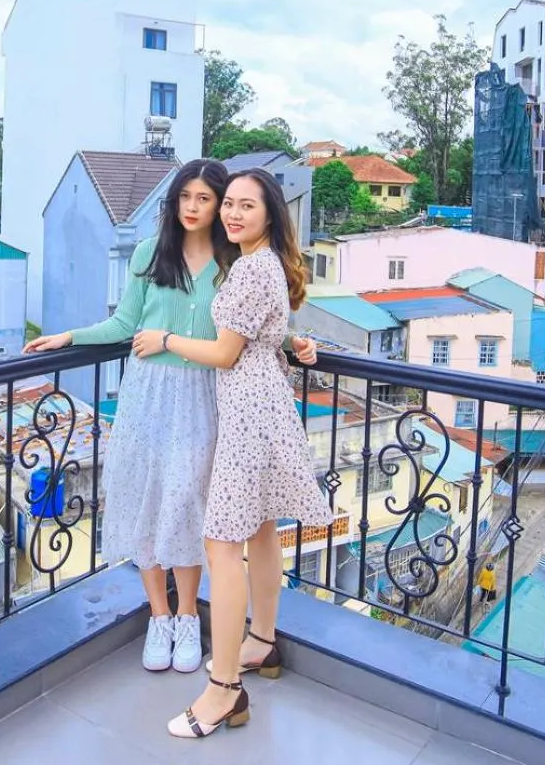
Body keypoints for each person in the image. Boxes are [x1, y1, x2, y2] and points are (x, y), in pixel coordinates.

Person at [26, 160, 317, 675]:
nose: (194, 207)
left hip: (206, 391)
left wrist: (296, 343)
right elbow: (123, 323)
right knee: (148, 496)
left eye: (207, 199)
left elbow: (246, 330)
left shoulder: (236, 260)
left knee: (189, 502)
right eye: (186, 197)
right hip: (148, 391)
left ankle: (187, 614)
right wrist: (69, 337)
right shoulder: (150, 254)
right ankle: (159, 615)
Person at [132, 168, 330, 739]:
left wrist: (164, 340)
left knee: (222, 545)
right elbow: (263, 335)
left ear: (271, 213)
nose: (232, 214)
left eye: (247, 205)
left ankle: (222, 689)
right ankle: (262, 643)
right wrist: (296, 341)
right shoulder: (265, 265)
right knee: (262, 531)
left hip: (246, 416)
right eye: (231, 205)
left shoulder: (248, 269)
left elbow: (223, 352)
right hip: (267, 407)